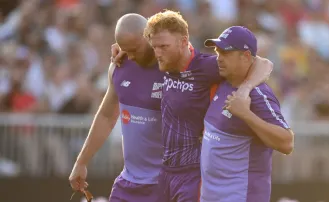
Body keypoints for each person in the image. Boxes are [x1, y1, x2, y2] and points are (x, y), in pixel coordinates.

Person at [139, 10, 273, 202]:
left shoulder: (206, 66)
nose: (157, 53)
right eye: (155, 47)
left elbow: (263, 64)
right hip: (165, 172)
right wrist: (119, 49)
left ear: (183, 42)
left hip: (193, 174)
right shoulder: (165, 61)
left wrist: (245, 90)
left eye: (163, 46)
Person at [69, 14, 164, 202]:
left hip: (166, 184)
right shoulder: (119, 67)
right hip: (129, 182)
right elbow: (106, 116)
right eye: (126, 50)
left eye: (135, 49)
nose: (131, 56)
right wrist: (81, 162)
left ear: (149, 37)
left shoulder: (174, 67)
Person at [201, 26, 295, 202]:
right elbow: (264, 63)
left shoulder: (259, 95)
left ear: (245, 56)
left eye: (226, 53)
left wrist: (246, 114)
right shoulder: (223, 81)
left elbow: (287, 142)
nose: (218, 58)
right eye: (217, 52)